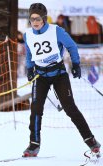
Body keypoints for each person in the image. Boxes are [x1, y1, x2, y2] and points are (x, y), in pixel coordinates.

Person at [22, 3, 101, 157]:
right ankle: (34, 145)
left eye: (38, 19)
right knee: (36, 111)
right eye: (32, 19)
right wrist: (29, 68)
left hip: (58, 74)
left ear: (44, 19)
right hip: (41, 76)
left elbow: (71, 46)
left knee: (70, 108)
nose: (35, 22)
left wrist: (76, 64)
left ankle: (91, 141)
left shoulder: (56, 31)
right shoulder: (27, 35)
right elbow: (29, 53)